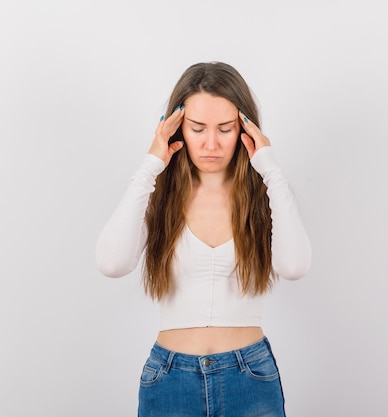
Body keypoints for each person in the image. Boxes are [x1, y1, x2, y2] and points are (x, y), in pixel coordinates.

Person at [96, 62, 311, 417]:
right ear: (176, 127)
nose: (211, 144)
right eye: (197, 129)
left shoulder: (264, 198)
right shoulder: (157, 198)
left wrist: (271, 170)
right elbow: (111, 263)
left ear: (246, 129)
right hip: (169, 380)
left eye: (225, 129)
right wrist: (151, 164)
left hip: (250, 377)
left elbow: (294, 267)